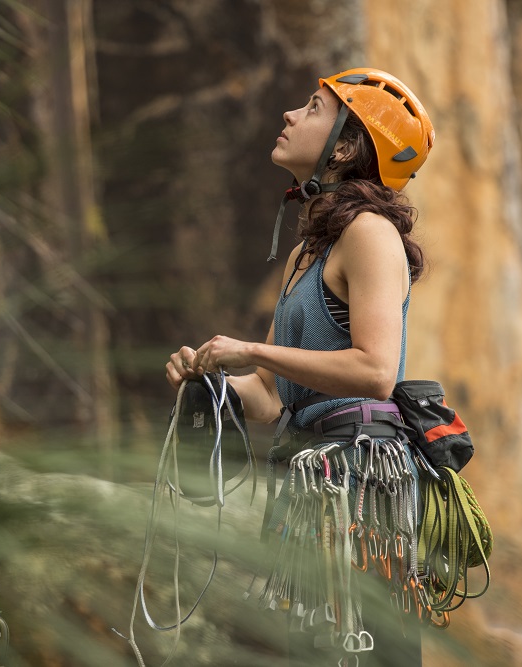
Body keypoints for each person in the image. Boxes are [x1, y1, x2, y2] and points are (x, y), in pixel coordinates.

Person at [165, 68, 435, 666]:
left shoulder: (371, 235)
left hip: (361, 485)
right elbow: (271, 395)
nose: (290, 114)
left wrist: (254, 350)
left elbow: (375, 372)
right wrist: (213, 381)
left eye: (312, 108)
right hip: (312, 481)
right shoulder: (306, 253)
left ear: (343, 146)